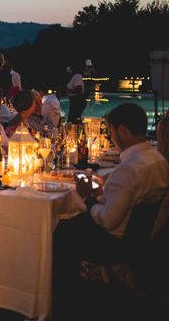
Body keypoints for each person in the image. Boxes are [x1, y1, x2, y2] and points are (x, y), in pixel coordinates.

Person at [54, 103, 169, 296]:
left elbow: (107, 221)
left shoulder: (128, 170)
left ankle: (65, 290)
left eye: (112, 131)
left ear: (122, 130)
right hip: (142, 238)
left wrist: (89, 198)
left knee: (61, 226)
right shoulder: (158, 160)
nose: (111, 136)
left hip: (117, 243)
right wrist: (101, 192)